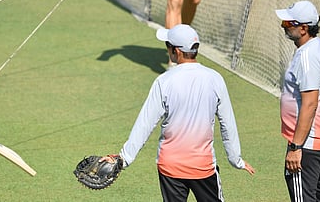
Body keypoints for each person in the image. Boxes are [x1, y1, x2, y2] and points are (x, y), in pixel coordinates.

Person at [103, 24, 255, 202]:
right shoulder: (215, 79)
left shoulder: (164, 81)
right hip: (202, 167)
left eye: (167, 45)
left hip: (170, 167)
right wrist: (236, 160)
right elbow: (227, 124)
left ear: (176, 51)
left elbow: (145, 123)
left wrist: (124, 158)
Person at [275, 1, 320, 202]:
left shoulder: (307, 56)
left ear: (303, 28)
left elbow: (310, 103)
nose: (284, 26)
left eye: (288, 23)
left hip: (307, 146)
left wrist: (296, 147)